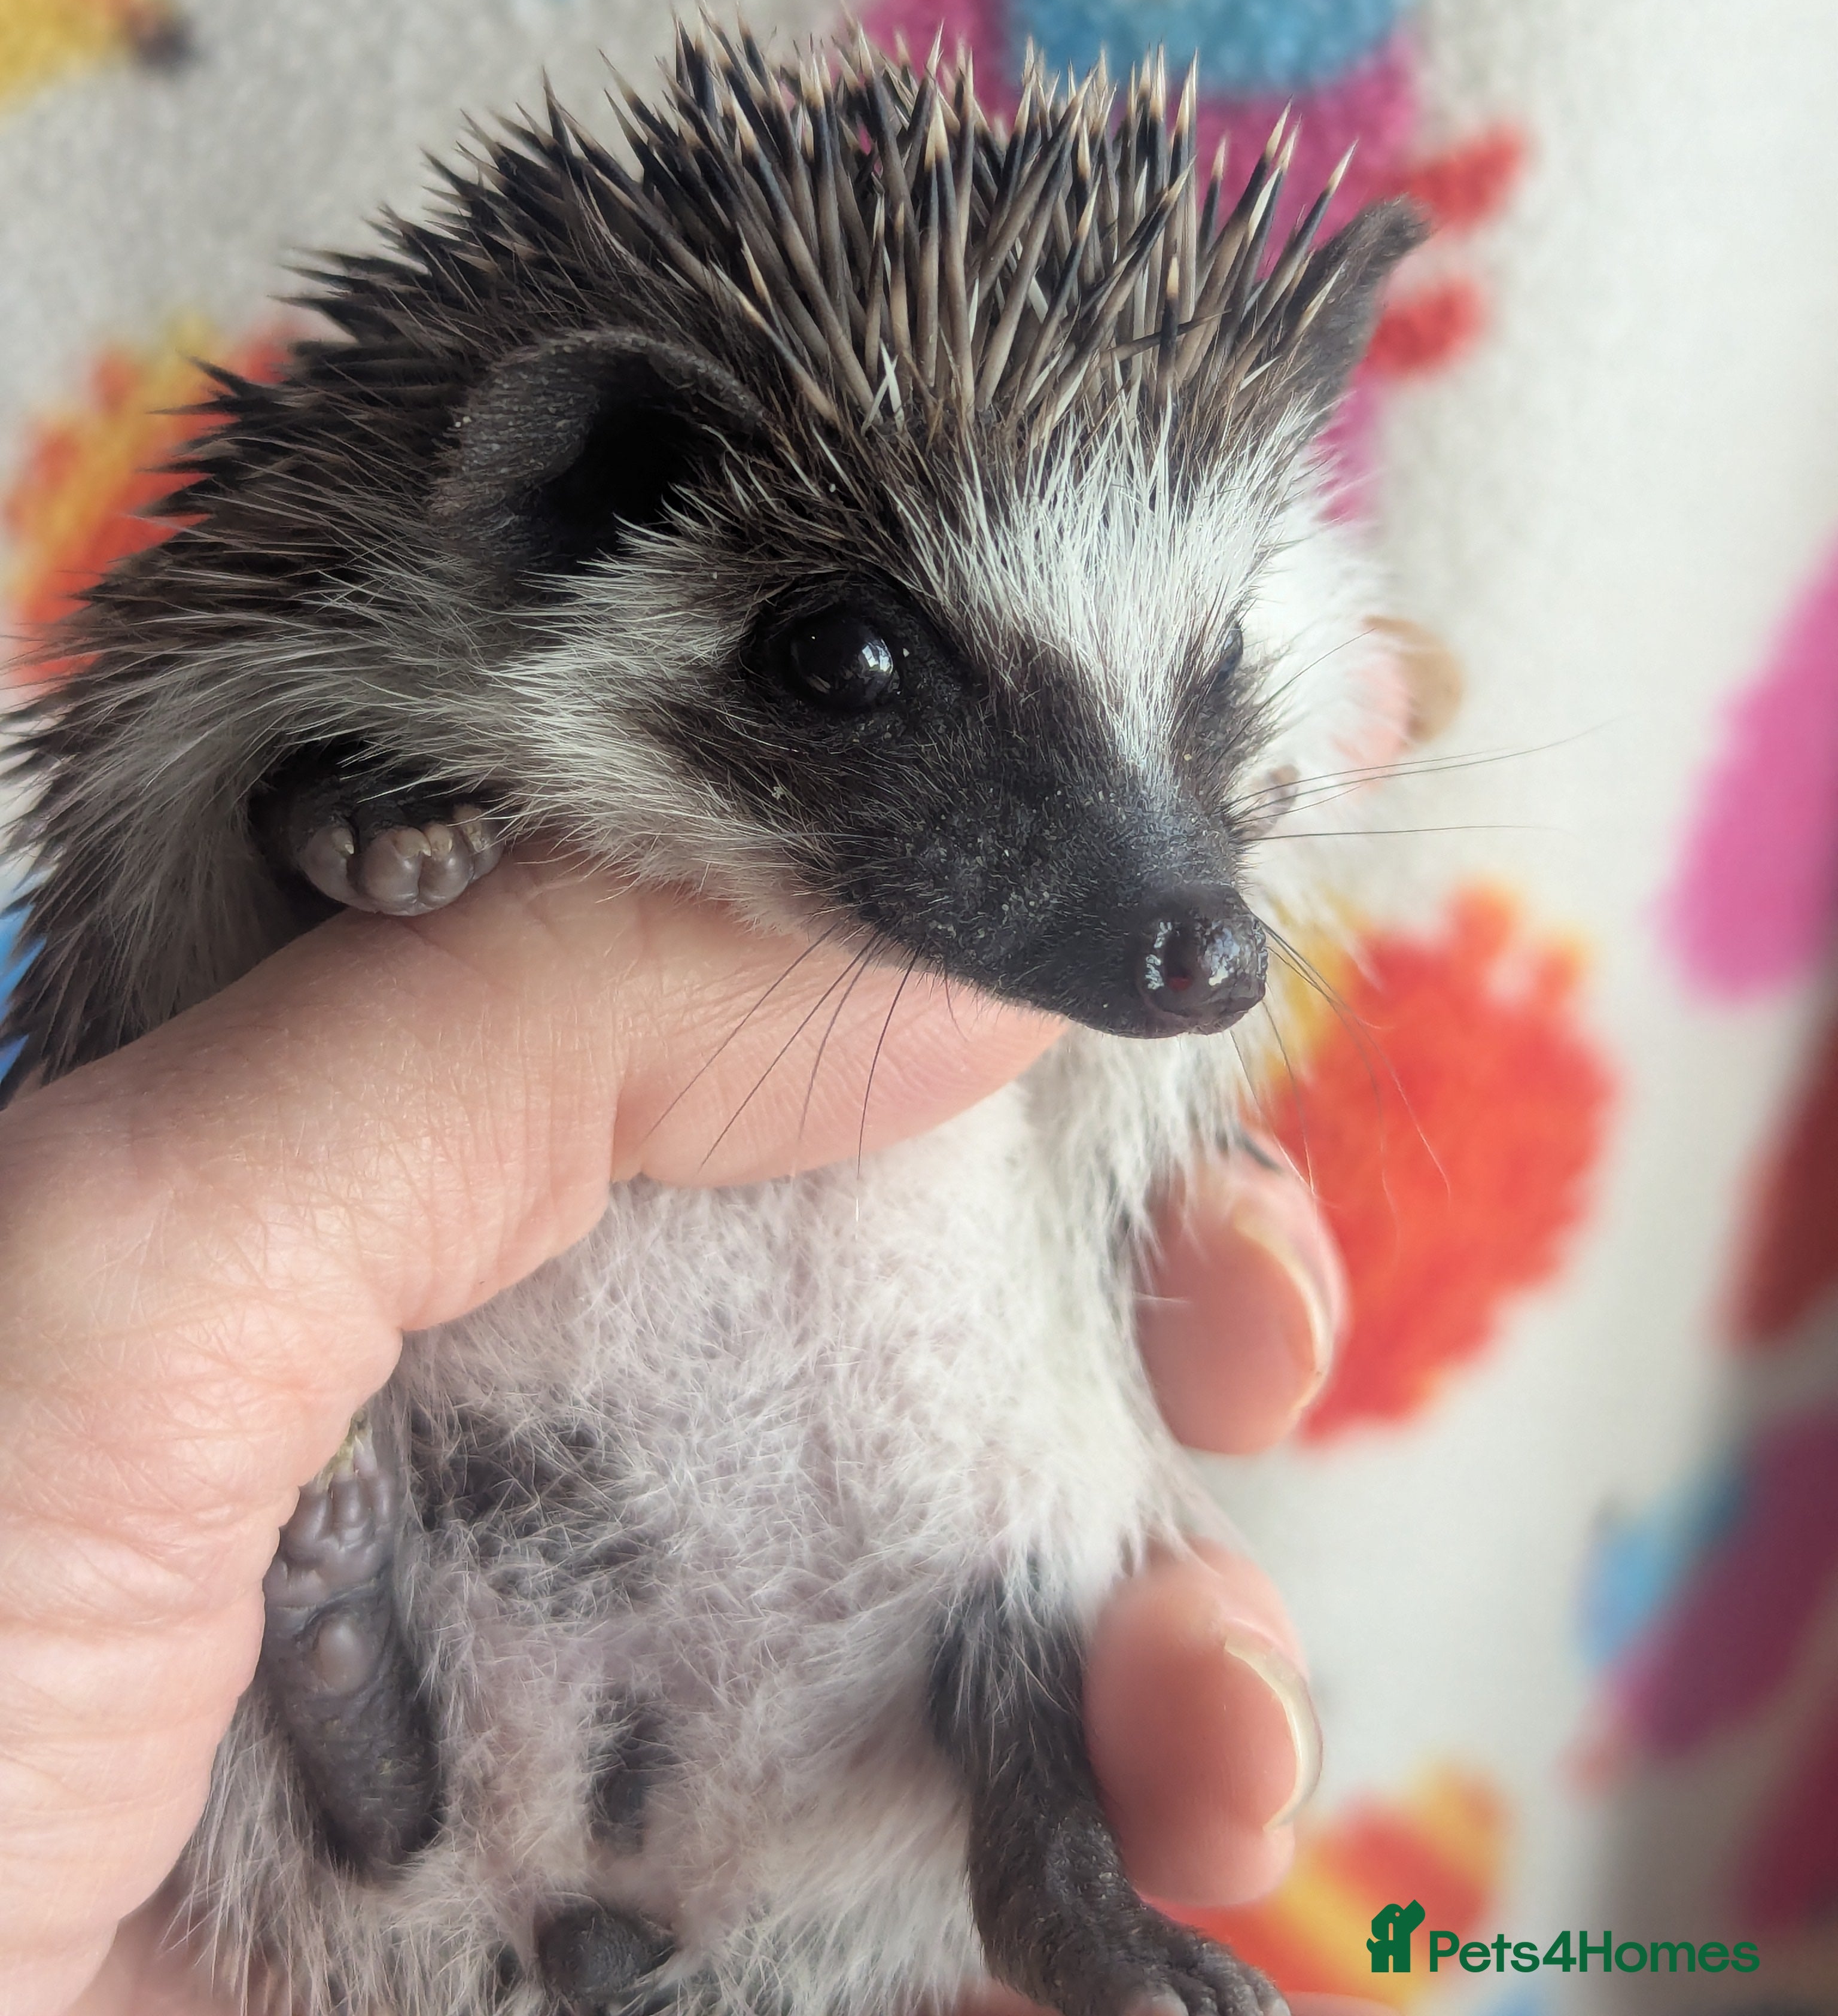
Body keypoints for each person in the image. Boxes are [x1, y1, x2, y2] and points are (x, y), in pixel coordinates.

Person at [0, 851, 1345, 2016]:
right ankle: (379, 1738)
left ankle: (1051, 1885)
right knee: (1030, 1572)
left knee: (1031, 1574)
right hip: (547, 1611)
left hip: (803, 1678)